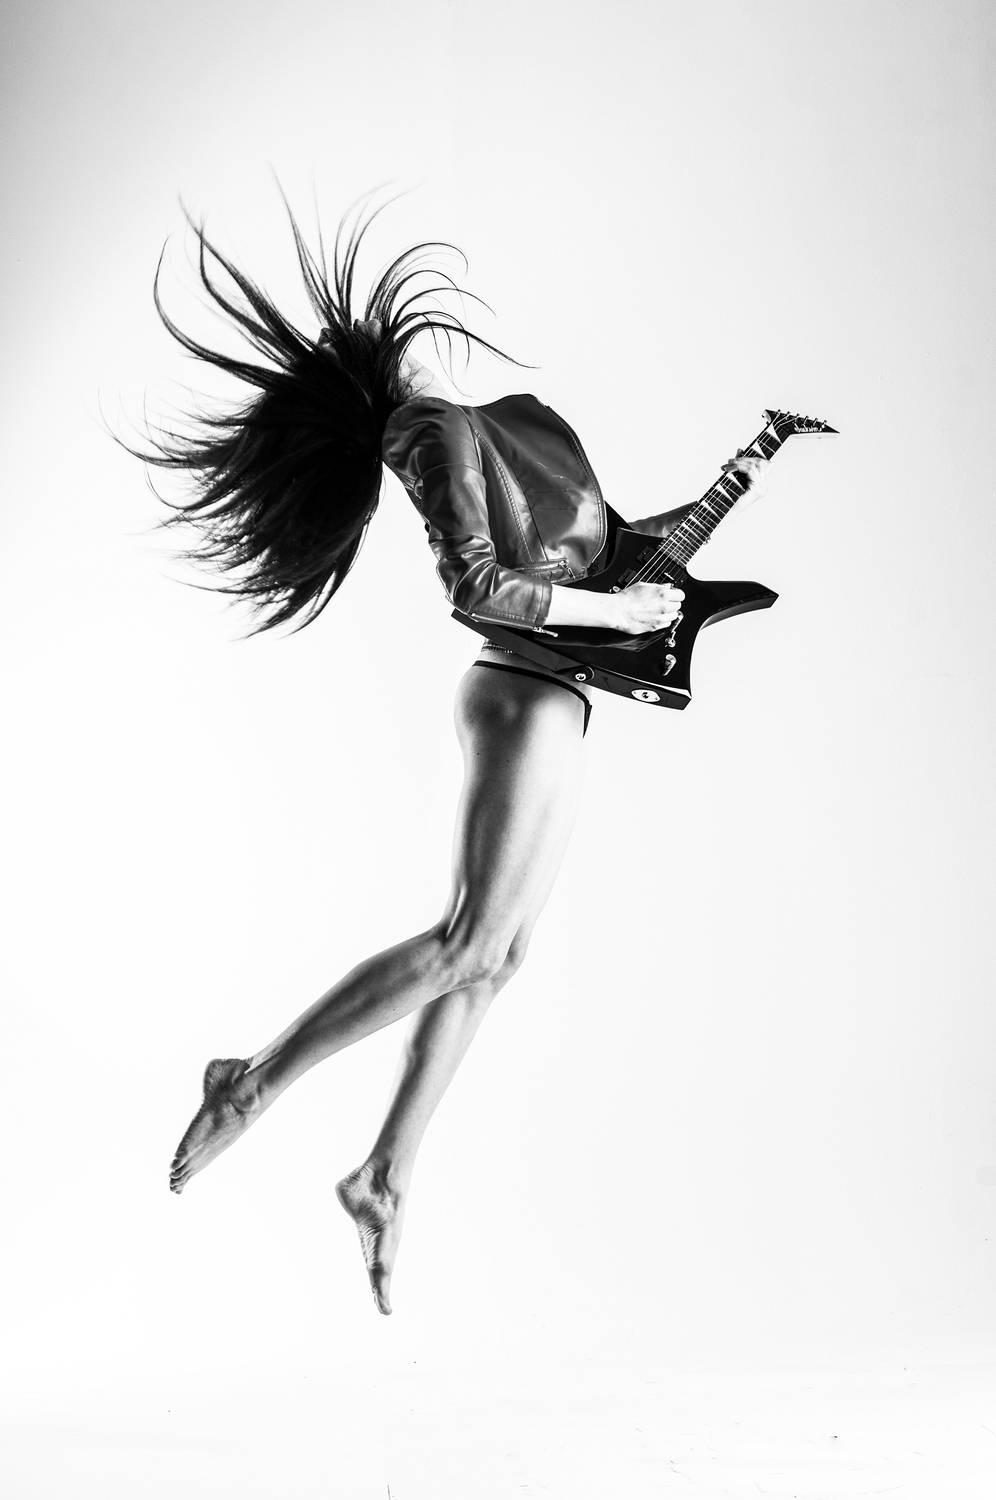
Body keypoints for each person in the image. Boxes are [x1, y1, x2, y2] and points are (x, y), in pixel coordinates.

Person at [123, 190, 765, 1314]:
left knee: (497, 958)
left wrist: (729, 488)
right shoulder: (423, 432)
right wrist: (618, 617)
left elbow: (606, 552)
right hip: (520, 692)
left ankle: (381, 1174)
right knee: (469, 942)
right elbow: (477, 588)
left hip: (559, 697)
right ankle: (251, 1080)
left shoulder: (496, 421)